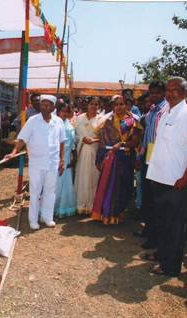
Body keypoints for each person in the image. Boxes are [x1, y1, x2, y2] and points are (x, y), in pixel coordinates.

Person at [145, 77, 187, 277]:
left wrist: (186, 177)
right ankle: (163, 254)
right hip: (159, 177)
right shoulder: (164, 112)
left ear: (185, 93)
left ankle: (170, 266)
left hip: (176, 181)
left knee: (174, 225)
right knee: (163, 221)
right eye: (168, 89)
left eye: (176, 90)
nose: (170, 93)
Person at [6, 95, 65, 230]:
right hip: (36, 163)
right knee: (35, 192)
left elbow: (62, 142)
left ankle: (47, 217)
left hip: (52, 162)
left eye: (48, 105)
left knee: (50, 191)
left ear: (53, 107)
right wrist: (14, 152)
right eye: (42, 104)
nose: (44, 107)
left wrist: (62, 160)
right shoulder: (32, 121)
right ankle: (33, 220)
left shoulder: (58, 122)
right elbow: (22, 139)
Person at [91, 95, 142, 224]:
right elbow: (102, 141)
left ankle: (118, 213)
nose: (119, 107)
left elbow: (135, 141)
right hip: (110, 158)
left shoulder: (133, 121)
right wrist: (100, 157)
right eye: (116, 104)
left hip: (125, 158)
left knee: (124, 187)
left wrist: (122, 144)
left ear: (127, 105)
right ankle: (106, 214)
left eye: (121, 104)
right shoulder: (107, 120)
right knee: (108, 186)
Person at [135, 81, 168, 249]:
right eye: (151, 93)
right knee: (148, 196)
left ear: (163, 92)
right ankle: (148, 228)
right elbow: (147, 136)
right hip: (149, 154)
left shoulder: (166, 110)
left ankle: (155, 237)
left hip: (160, 157)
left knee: (156, 199)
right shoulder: (152, 111)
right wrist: (141, 155)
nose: (154, 95)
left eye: (157, 92)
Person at [74, 97, 101, 215]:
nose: (93, 106)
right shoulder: (79, 119)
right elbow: (73, 135)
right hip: (82, 152)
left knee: (93, 178)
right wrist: (82, 139)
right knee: (82, 177)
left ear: (99, 106)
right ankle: (80, 205)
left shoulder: (102, 119)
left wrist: (94, 140)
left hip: (95, 153)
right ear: (87, 105)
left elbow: (105, 137)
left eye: (96, 104)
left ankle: (91, 206)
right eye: (91, 104)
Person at [54, 101, 77, 217]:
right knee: (55, 183)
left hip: (67, 156)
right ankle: (52, 207)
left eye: (65, 111)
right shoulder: (54, 124)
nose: (63, 113)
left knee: (66, 182)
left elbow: (73, 143)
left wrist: (74, 157)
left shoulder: (70, 125)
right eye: (61, 111)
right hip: (55, 155)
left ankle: (63, 207)